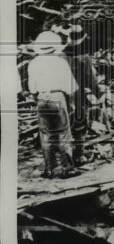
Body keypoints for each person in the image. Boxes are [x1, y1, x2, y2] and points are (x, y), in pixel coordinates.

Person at [26, 30, 80, 179]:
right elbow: (70, 87)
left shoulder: (33, 63)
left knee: (46, 135)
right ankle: (67, 168)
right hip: (57, 97)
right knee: (63, 133)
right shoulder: (60, 62)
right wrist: (73, 103)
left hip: (42, 98)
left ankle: (49, 168)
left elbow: (32, 88)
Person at [62, 21, 100, 165]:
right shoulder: (83, 57)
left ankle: (63, 158)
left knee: (62, 127)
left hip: (61, 95)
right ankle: (78, 156)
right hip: (77, 95)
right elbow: (92, 80)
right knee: (79, 126)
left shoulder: (60, 55)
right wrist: (99, 94)